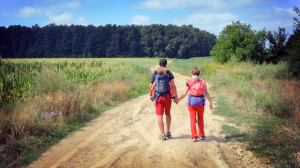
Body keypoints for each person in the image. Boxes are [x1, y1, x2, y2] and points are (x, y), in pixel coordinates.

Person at [175, 68, 213, 142]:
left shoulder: (189, 82)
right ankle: (201, 135)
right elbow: (207, 93)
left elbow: (185, 93)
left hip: (191, 103)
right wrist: (211, 103)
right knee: (200, 119)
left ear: (192, 73)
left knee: (193, 120)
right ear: (199, 74)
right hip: (201, 103)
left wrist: (178, 100)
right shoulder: (203, 82)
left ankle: (194, 137)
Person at [150, 59, 178, 140]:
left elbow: (151, 85)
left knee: (160, 116)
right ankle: (168, 132)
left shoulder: (155, 73)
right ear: (166, 65)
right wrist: (175, 96)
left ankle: (163, 135)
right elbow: (173, 85)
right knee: (168, 114)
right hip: (168, 96)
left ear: (159, 64)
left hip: (158, 97)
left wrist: (151, 95)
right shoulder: (169, 73)